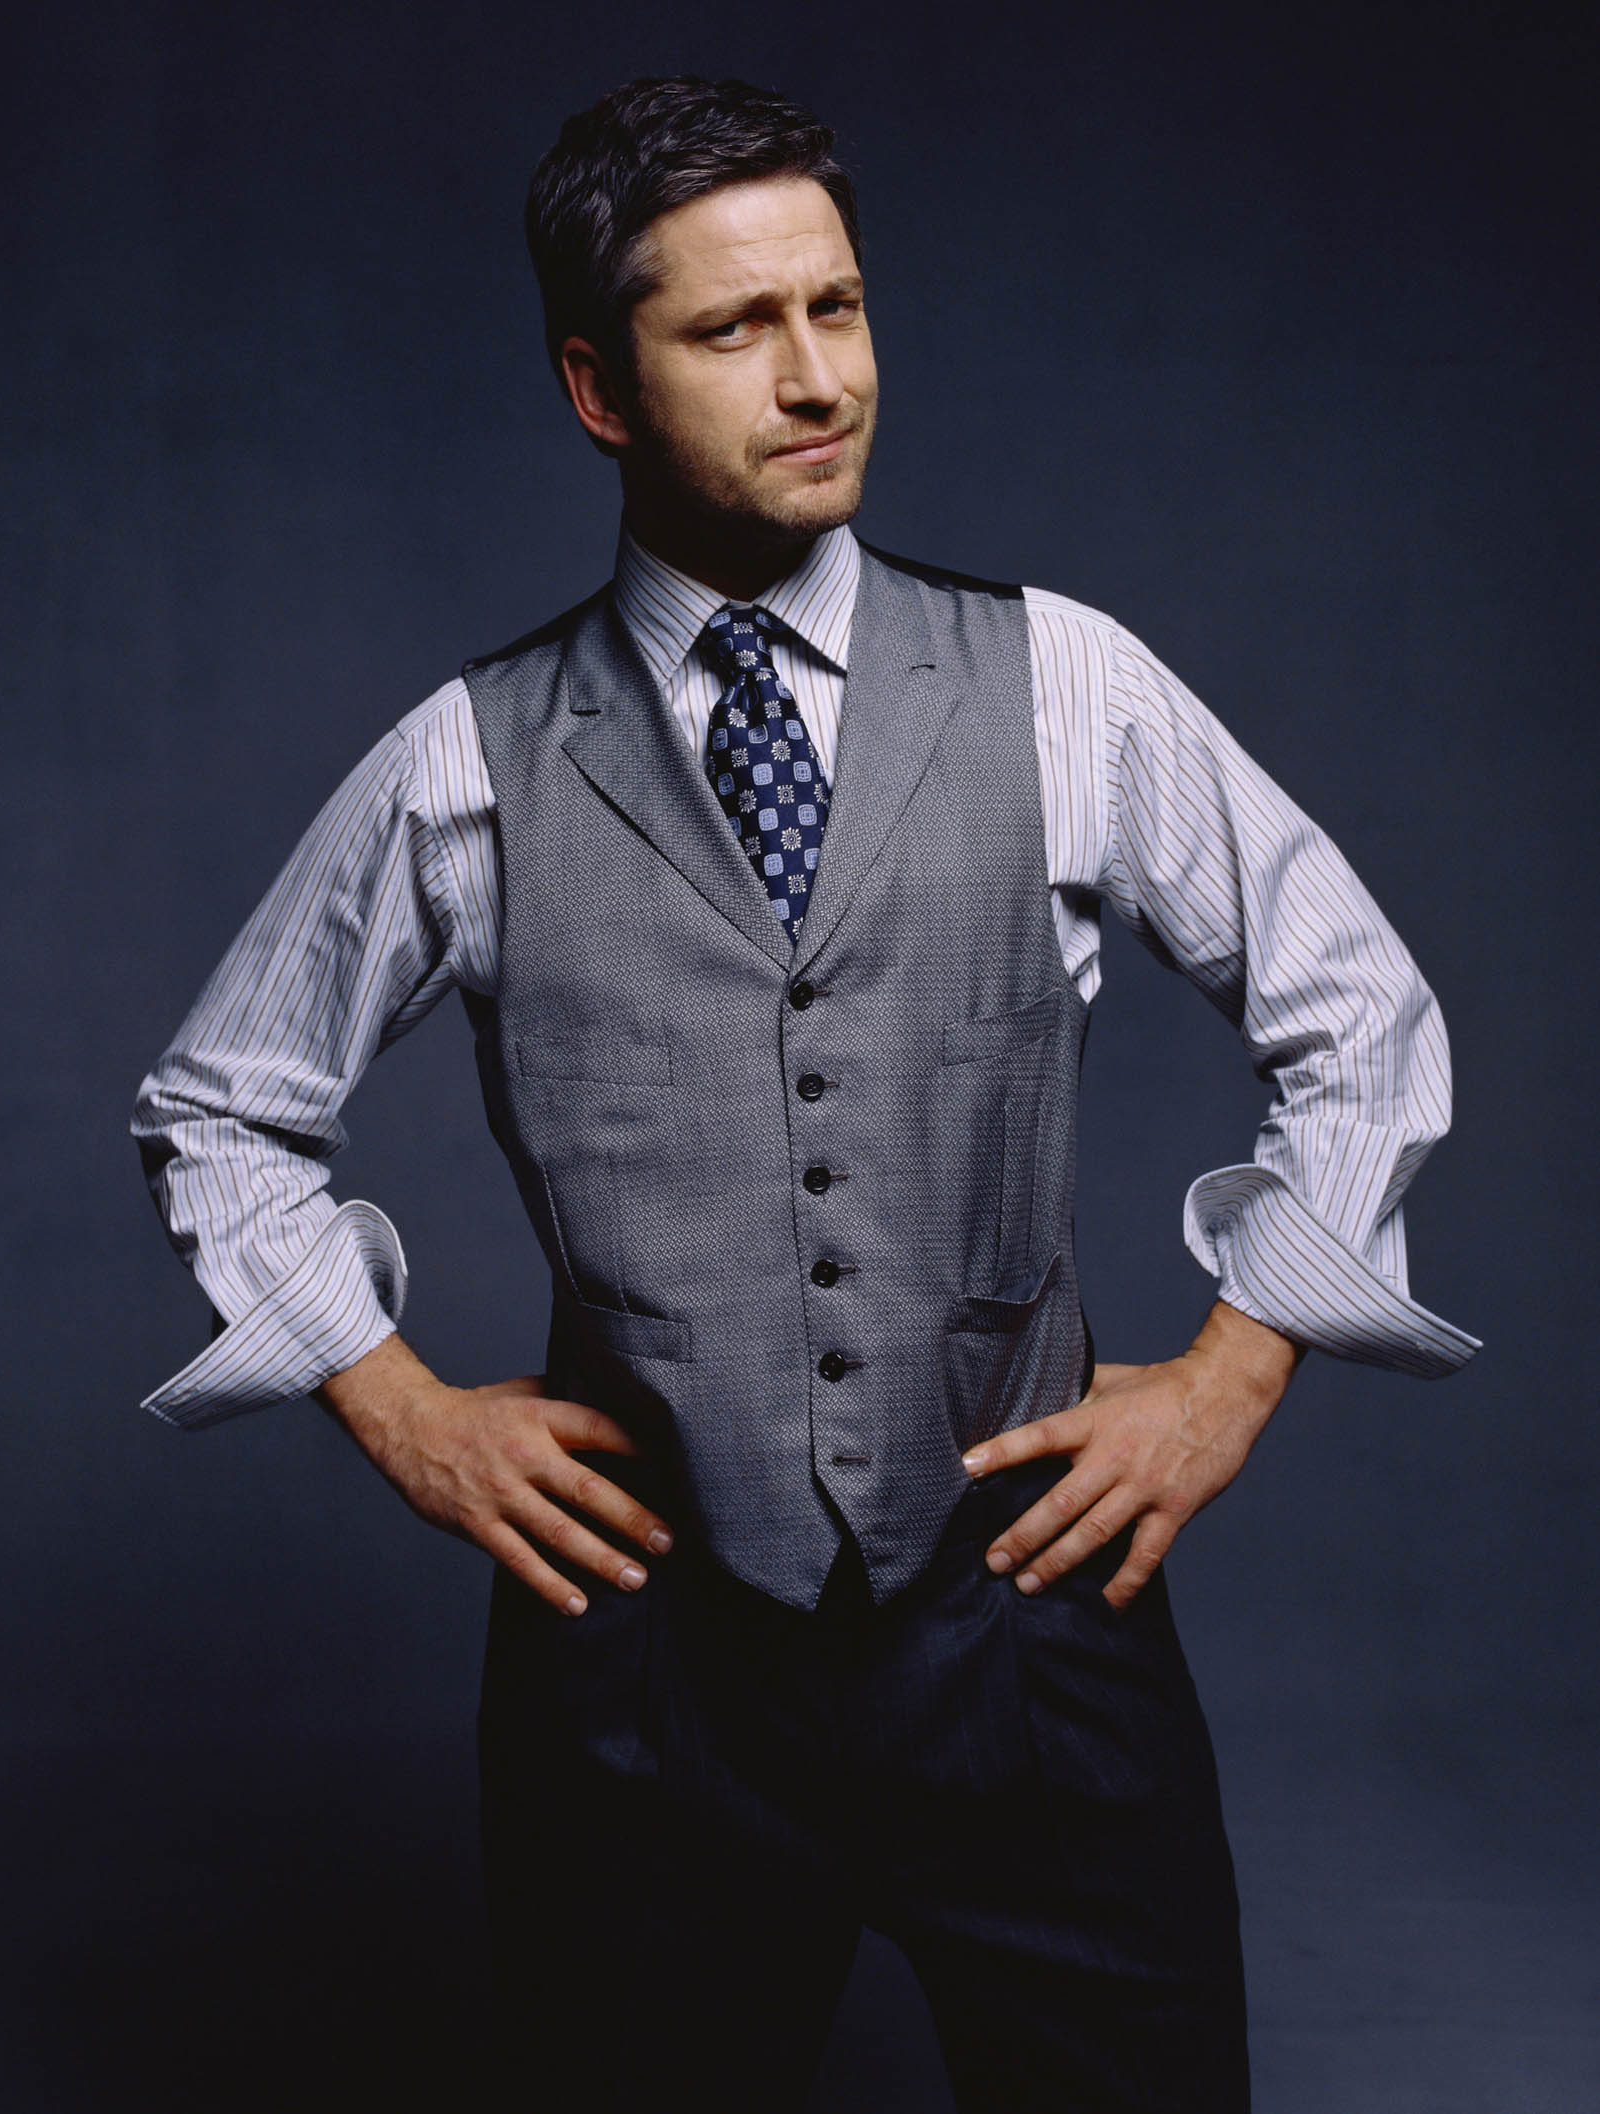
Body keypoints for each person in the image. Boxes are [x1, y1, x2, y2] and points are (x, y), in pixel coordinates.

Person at [131, 74, 1480, 2114]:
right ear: (597, 388)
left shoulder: (1065, 684)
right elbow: (221, 1106)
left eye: (836, 308)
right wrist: (397, 1406)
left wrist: (1235, 1369)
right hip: (641, 1678)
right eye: (734, 328)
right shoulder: (470, 760)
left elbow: (1361, 1013)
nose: (815, 378)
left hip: (1031, 1638)